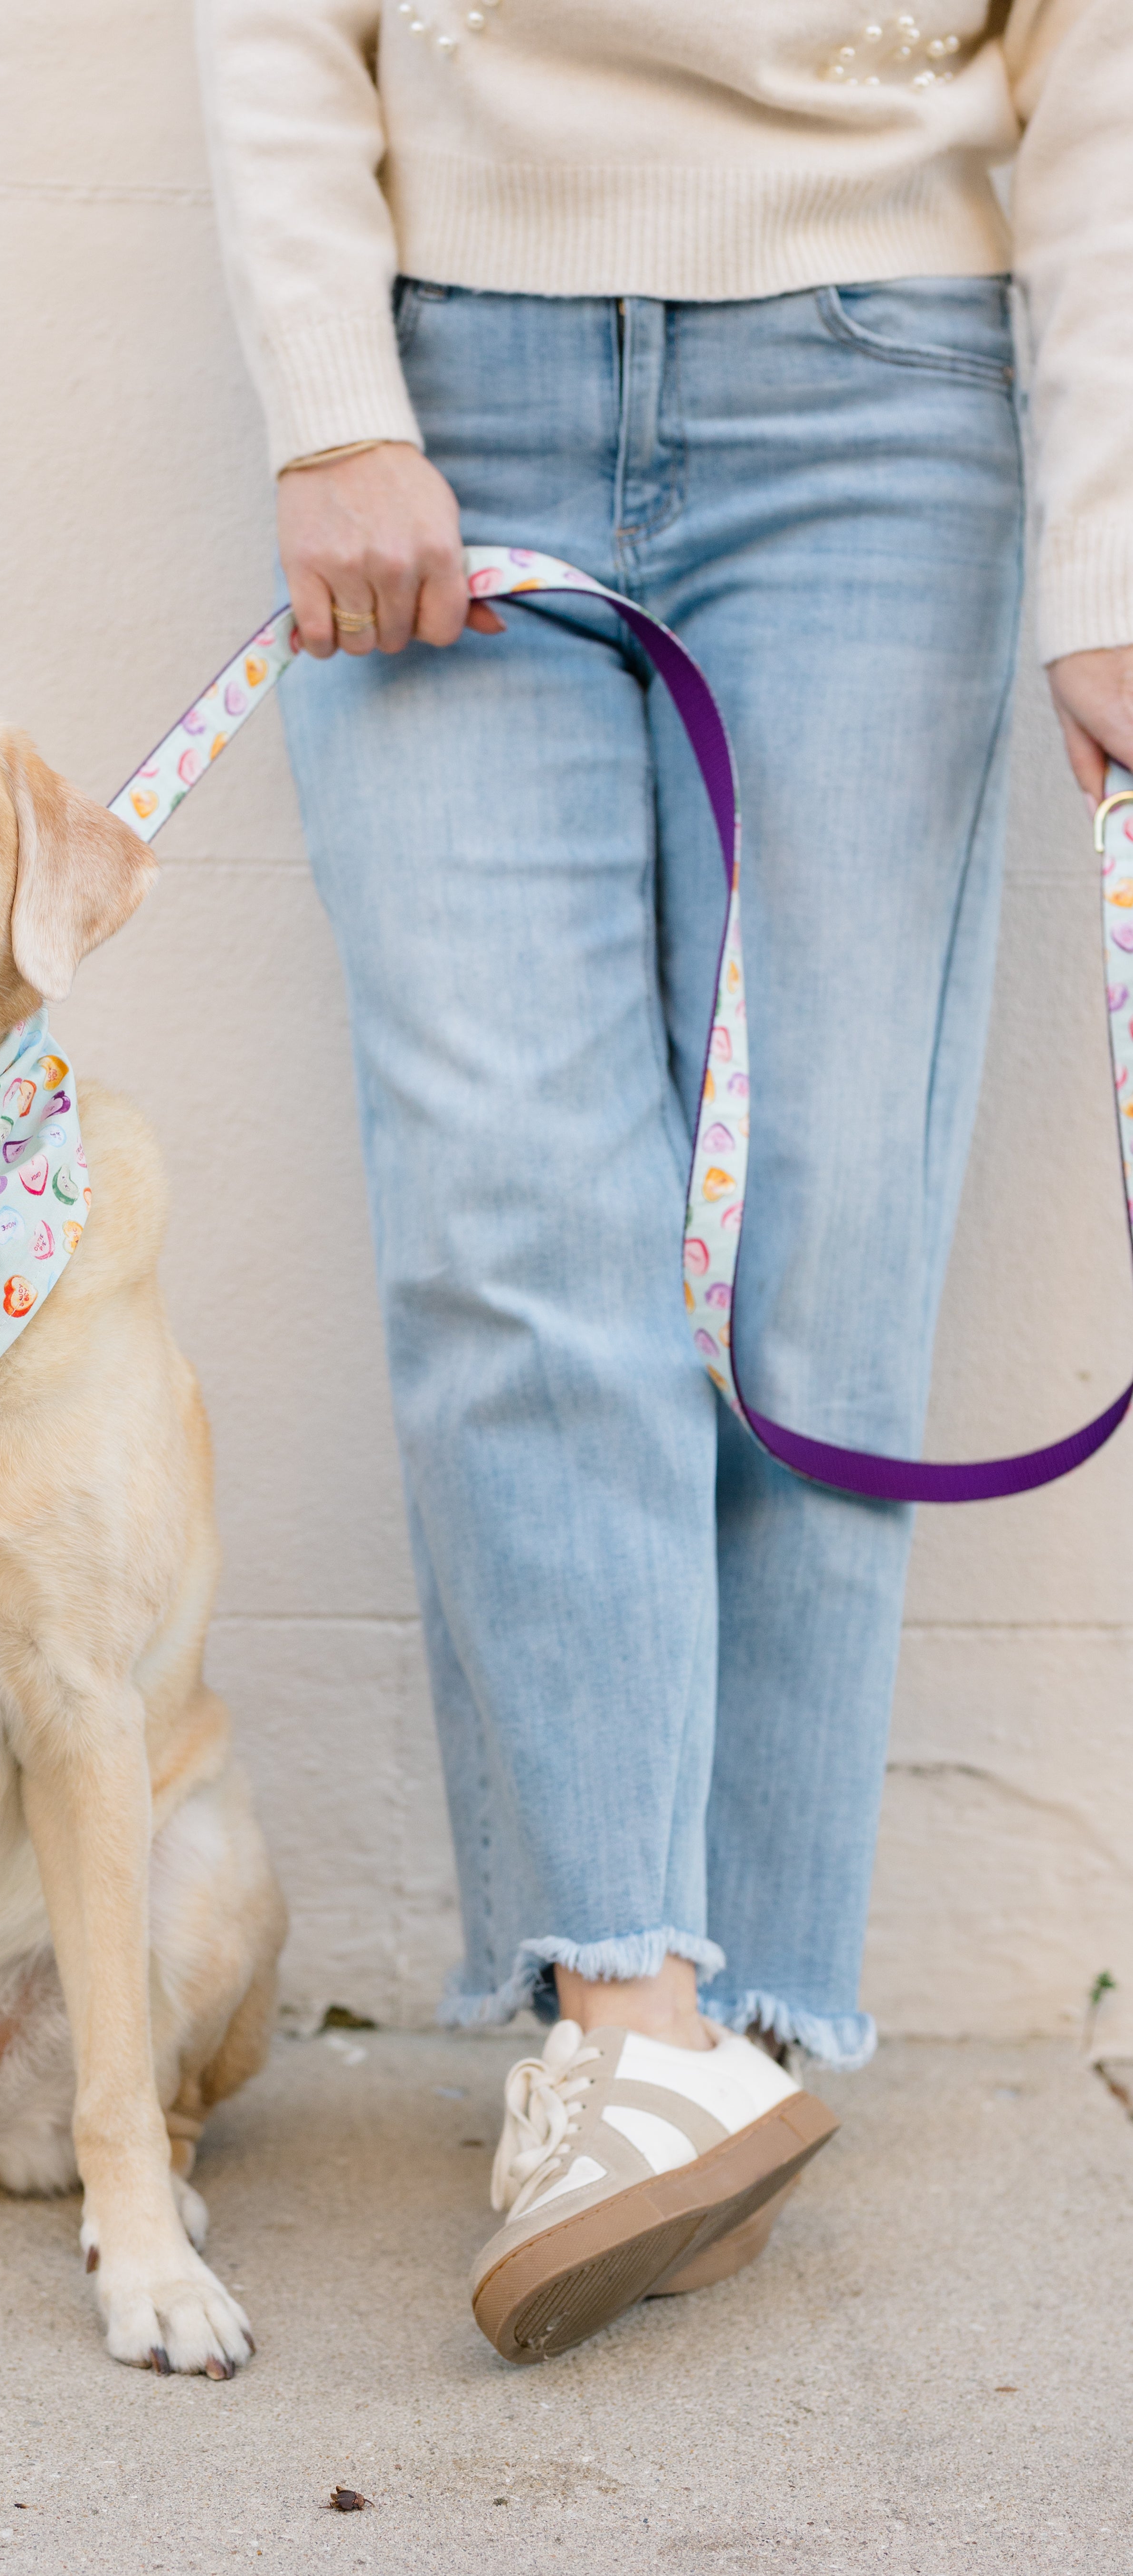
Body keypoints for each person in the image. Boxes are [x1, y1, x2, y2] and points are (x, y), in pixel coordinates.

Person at [195, 0, 1133, 2359]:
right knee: (509, 1214)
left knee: (811, 1240)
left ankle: (751, 2027)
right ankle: (618, 2017)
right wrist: (329, 401)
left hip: (883, 395)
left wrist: (1110, 549)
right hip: (448, 391)